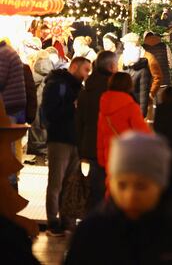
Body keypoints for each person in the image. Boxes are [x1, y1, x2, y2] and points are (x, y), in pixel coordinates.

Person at [64, 132, 172, 265]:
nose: (130, 196)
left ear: (161, 183)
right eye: (122, 185)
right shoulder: (93, 232)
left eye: (141, 186)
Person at [41, 56, 91, 236]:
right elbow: (50, 112)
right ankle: (53, 222)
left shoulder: (79, 87)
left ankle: (67, 221)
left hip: (74, 140)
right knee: (56, 182)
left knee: (71, 183)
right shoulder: (57, 84)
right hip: (59, 139)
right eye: (85, 70)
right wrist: (73, 106)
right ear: (74, 66)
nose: (87, 74)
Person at [76, 50, 118, 208]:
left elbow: (79, 121)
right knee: (111, 185)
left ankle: (93, 218)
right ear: (112, 66)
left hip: (91, 142)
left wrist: (80, 147)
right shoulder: (114, 89)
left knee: (96, 184)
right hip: (112, 144)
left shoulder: (87, 89)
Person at [96, 72, 151, 171]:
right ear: (129, 85)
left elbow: (101, 135)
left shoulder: (104, 106)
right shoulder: (131, 107)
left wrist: (101, 158)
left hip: (109, 156)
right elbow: (143, 133)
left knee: (112, 184)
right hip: (127, 156)